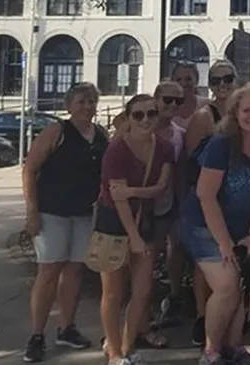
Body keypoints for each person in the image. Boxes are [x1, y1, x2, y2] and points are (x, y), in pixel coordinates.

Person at [180, 86, 250, 365]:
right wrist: (224, 242)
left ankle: (233, 344)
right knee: (227, 285)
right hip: (204, 224)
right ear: (235, 113)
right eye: (247, 110)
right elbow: (205, 195)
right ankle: (211, 351)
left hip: (243, 226)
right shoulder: (221, 144)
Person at [22, 83, 109, 363]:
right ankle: (37, 335)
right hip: (52, 213)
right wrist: (32, 211)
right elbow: (30, 169)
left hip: (83, 213)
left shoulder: (101, 135)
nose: (87, 107)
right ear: (69, 105)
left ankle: (67, 327)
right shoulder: (56, 132)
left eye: (92, 102)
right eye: (82, 101)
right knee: (48, 272)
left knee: (74, 271)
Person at [97, 95, 174, 365]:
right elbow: (116, 198)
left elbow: (160, 187)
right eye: (138, 115)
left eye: (151, 114)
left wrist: (132, 190)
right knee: (113, 291)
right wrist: (134, 238)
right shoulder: (116, 150)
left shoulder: (163, 147)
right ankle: (114, 351)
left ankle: (127, 347)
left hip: (145, 219)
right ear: (128, 119)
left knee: (142, 290)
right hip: (114, 222)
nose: (145, 120)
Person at [182, 60, 238, 346]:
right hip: (209, 197)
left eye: (227, 79)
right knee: (206, 262)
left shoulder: (245, 112)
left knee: (231, 262)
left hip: (238, 198)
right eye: (216, 81)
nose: (222, 85)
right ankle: (203, 316)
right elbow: (191, 162)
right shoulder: (205, 116)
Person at [141, 81, 187, 343]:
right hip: (143, 207)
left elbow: (179, 171)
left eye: (177, 101)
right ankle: (143, 320)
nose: (172, 105)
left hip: (169, 204)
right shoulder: (140, 128)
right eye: (167, 99)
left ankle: (173, 299)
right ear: (156, 99)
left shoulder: (179, 133)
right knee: (145, 263)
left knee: (175, 251)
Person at [171, 60, 209, 130]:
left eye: (188, 79)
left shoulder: (207, 105)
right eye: (178, 79)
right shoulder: (165, 106)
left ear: (197, 81)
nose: (183, 83)